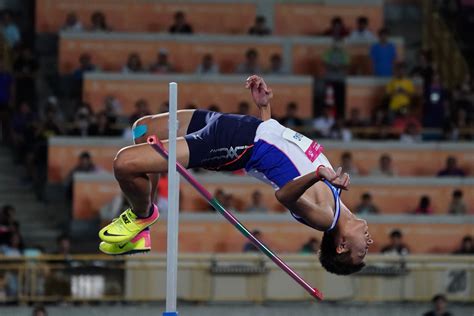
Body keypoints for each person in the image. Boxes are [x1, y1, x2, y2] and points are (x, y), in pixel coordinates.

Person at [98, 75, 373, 276]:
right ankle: (141, 230)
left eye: (363, 251)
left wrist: (317, 175)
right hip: (239, 126)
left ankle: (142, 215)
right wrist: (266, 109)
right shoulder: (336, 196)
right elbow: (282, 148)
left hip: (237, 146)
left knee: (124, 164)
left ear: (342, 246)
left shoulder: (325, 218)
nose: (369, 243)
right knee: (142, 130)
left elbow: (285, 195)